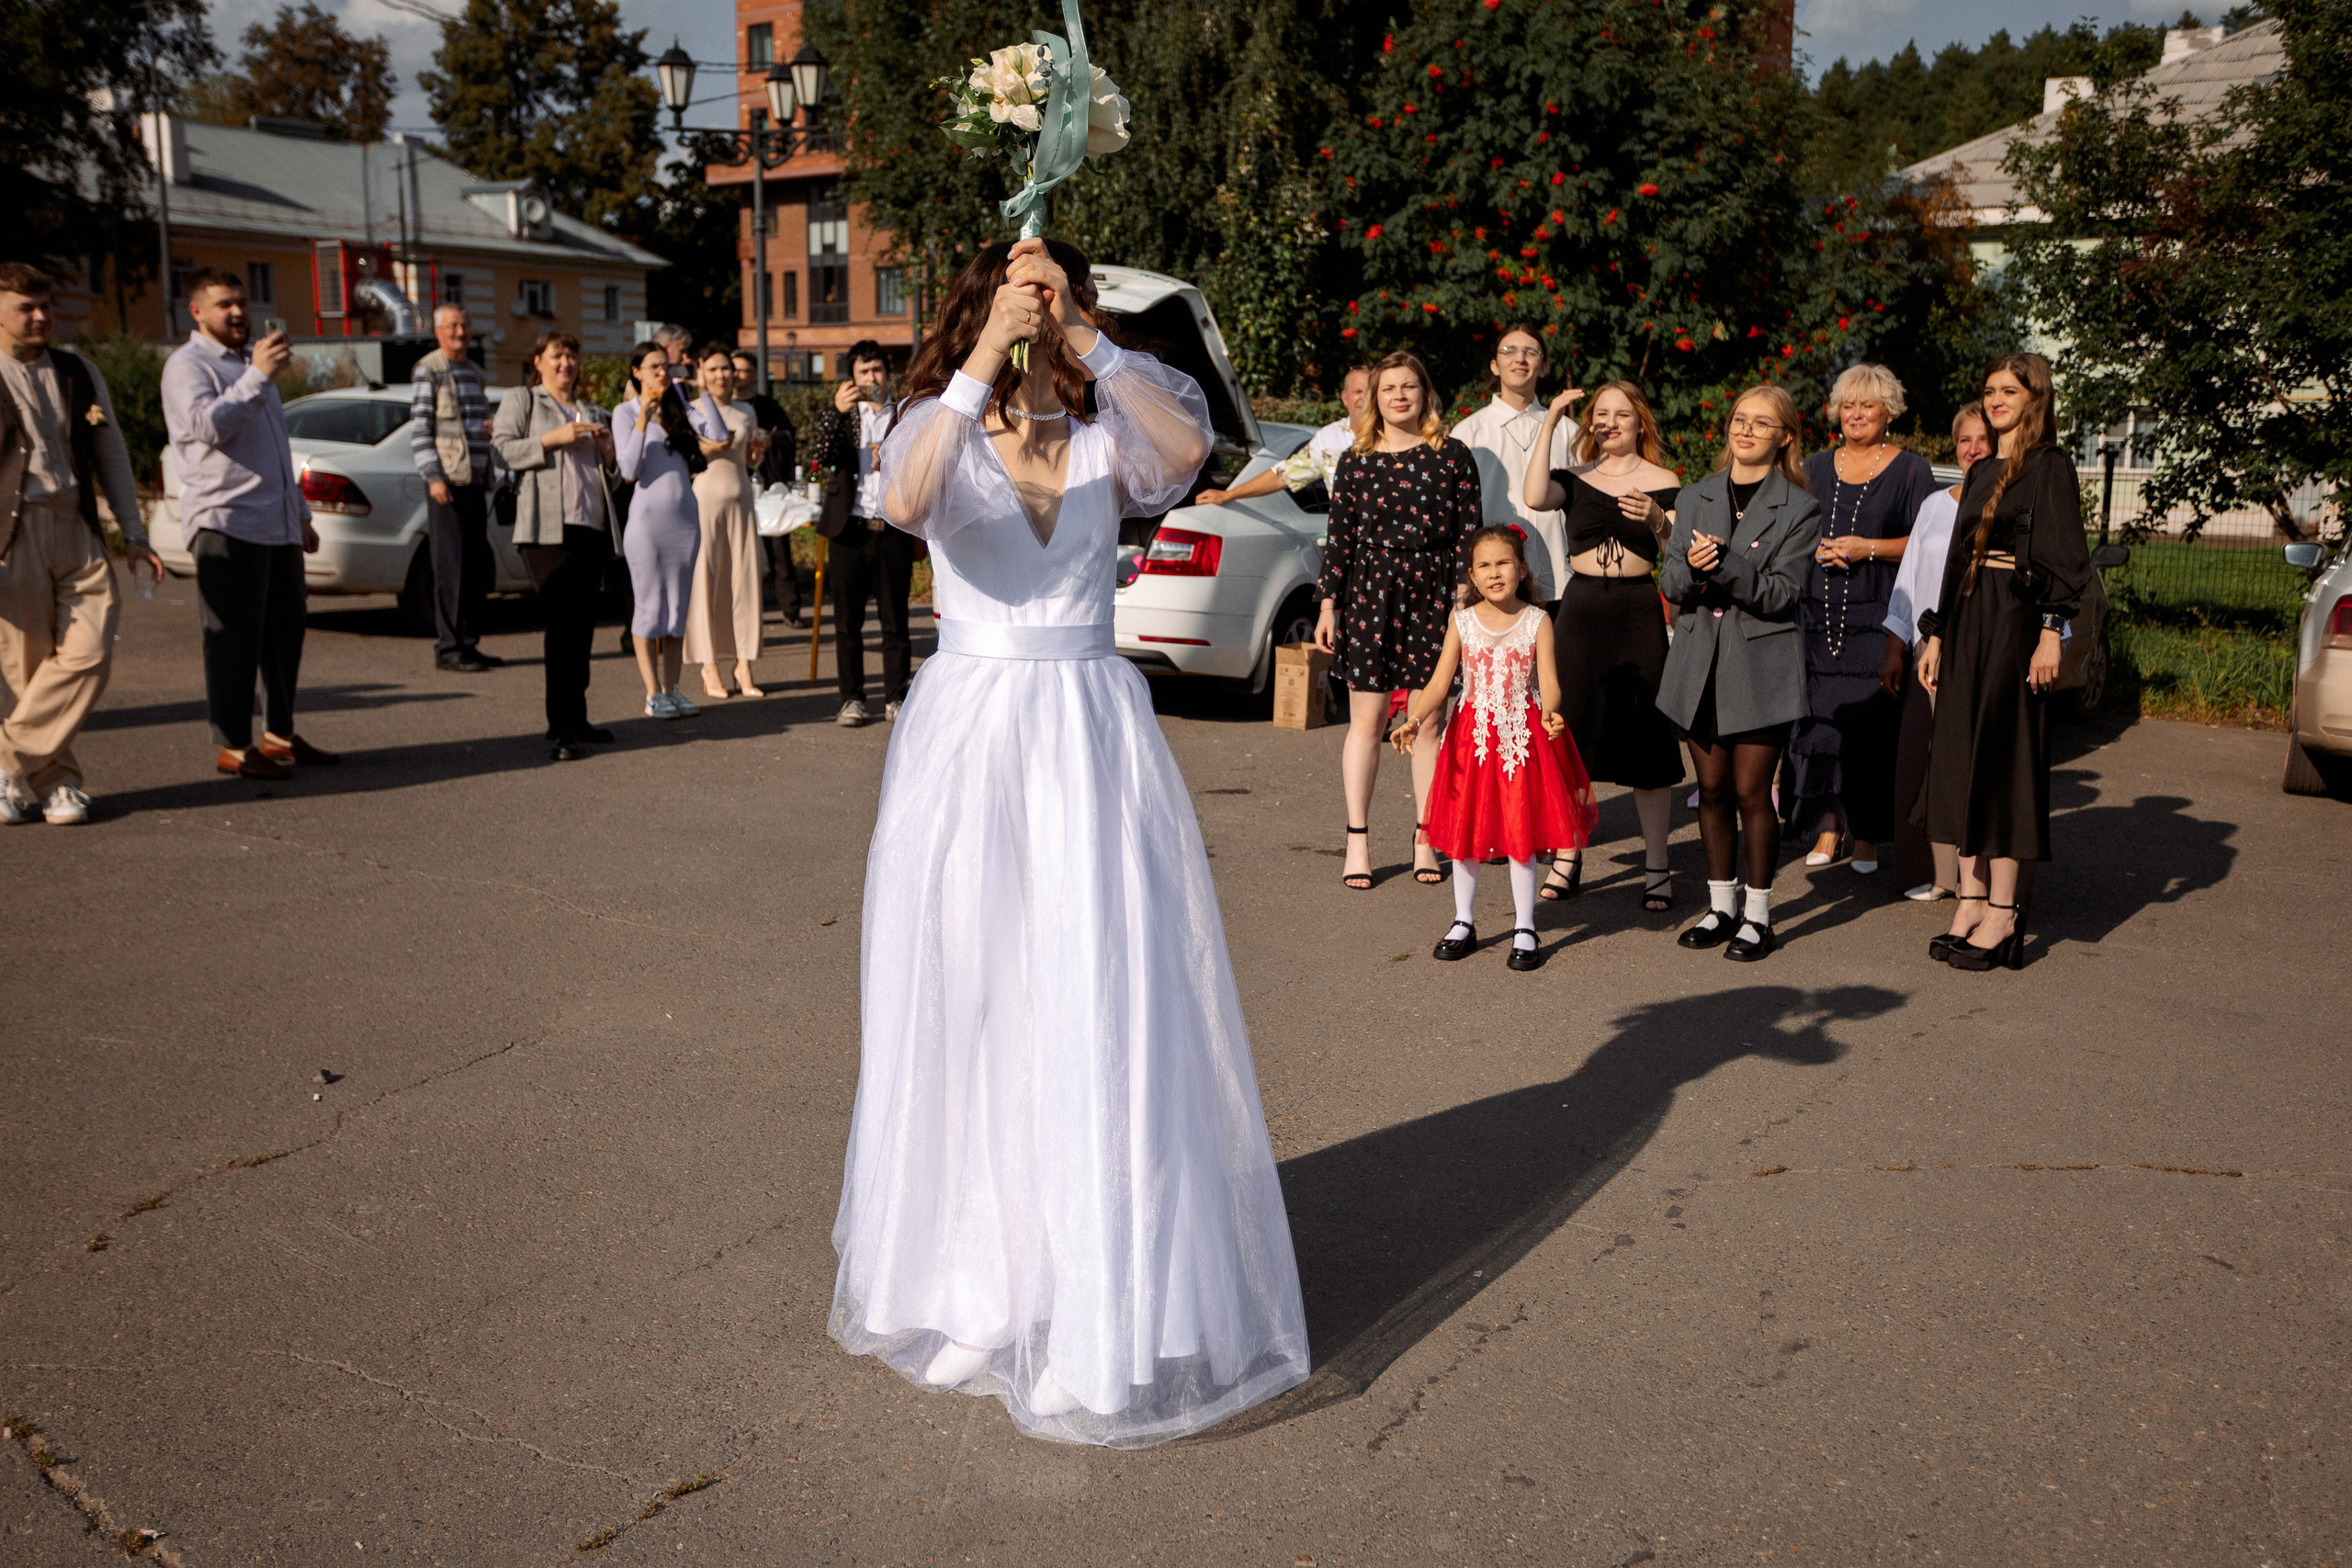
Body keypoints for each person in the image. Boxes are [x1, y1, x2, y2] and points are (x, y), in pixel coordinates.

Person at [831, 234, 1307, 1446]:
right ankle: (980, 1292)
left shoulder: (1109, 440)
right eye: (1020, 295)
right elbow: (902, 497)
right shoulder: (925, 428)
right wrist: (990, 344)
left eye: (1056, 297)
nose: (1041, 314)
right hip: (976, 744)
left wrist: (1081, 330)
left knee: (1104, 1005)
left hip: (1093, 740)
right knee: (980, 1006)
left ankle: (1103, 1311)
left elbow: (1189, 445)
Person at [1916, 353, 2091, 971]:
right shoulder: (1983, 466)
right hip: (1966, 619)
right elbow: (1956, 559)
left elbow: (2069, 557)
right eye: (1988, 390)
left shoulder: (2050, 466)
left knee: (2007, 761)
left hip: (2017, 623)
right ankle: (1970, 895)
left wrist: (2052, 630)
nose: (1994, 400)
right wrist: (1934, 633)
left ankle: (2006, 911)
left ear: (2034, 397)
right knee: (1960, 756)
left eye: (2007, 390)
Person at [1656, 386, 1823, 962]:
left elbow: (1782, 594)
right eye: (1738, 421)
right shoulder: (1695, 494)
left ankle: (1759, 914)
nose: (1745, 431)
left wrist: (1726, 564)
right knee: (1711, 790)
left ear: (1785, 437)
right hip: (1699, 661)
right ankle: (1720, 906)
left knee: (1753, 792)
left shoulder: (1800, 507)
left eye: (1761, 423)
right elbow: (1671, 583)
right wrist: (1697, 573)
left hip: (1761, 665)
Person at [1314, 351, 1484, 890]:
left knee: (1428, 722)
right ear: (1374, 397)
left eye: (1410, 386)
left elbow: (1469, 534)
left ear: (1425, 393)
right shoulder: (1356, 459)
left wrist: (1465, 598)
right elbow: (1339, 537)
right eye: (1390, 388)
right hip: (1370, 594)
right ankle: (1357, 840)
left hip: (1435, 597)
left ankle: (1426, 837)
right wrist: (1326, 605)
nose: (1400, 396)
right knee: (1365, 722)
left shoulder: (1453, 455)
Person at [1392, 524, 1596, 970]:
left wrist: (1551, 713)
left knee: (1521, 832)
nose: (1494, 572)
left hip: (1522, 738)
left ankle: (1525, 926)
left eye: (1503, 562)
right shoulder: (1462, 621)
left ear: (1522, 569)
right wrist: (1414, 719)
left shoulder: (1538, 621)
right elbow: (1440, 681)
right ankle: (1463, 921)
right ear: (1471, 574)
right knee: (1465, 833)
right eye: (1484, 566)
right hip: (1471, 740)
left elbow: (1550, 684)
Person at [162, 267, 337, 781]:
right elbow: (208, 427)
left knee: (286, 635)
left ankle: (279, 736)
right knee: (233, 638)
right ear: (197, 312)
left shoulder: (245, 361)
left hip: (275, 520)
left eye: (241, 302)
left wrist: (300, 514)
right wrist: (257, 375)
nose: (238, 312)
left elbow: (275, 450)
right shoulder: (187, 365)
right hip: (227, 520)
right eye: (223, 304)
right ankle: (234, 745)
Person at [0, 263, 161, 825]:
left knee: (90, 650)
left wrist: (134, 533)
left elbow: (111, 453)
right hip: (12, 533)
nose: (41, 316)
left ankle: (7, 763)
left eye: (46, 305)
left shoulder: (79, 371)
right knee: (28, 665)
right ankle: (58, 786)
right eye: (26, 306)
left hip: (76, 525)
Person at [1521, 381, 1684, 908]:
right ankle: (1568, 853)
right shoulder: (1574, 477)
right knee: (1571, 734)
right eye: (1601, 415)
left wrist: (1657, 519)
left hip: (1638, 608)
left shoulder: (1663, 480)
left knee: (1648, 738)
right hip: (1582, 610)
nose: (1610, 423)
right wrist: (1550, 424)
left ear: (1640, 423)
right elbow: (1532, 497)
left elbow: (1677, 554)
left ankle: (1657, 863)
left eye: (1622, 415)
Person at [1792, 364, 1937, 877]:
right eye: (1848, 404)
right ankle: (1829, 825)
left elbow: (1926, 545)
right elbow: (1793, 531)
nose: (1856, 414)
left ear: (1888, 412)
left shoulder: (1912, 470)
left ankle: (1869, 835)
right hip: (1818, 615)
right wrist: (1816, 547)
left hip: (1878, 616)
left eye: (1868, 405)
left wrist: (1866, 549)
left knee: (1872, 734)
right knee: (1822, 730)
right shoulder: (1812, 464)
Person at [1883, 402, 1993, 901]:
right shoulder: (1933, 505)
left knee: (1971, 761)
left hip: (1984, 644)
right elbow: (1908, 581)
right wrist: (1895, 647)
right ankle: (1940, 875)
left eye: (1982, 440)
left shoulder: (2006, 504)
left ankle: (1981, 880)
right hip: (1930, 648)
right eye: (1963, 441)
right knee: (1928, 758)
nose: (1972, 449)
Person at [493, 330, 618, 761]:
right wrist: (554, 439)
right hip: (545, 530)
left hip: (590, 527)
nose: (566, 363)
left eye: (571, 356)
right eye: (557, 356)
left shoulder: (593, 409)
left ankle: (578, 718)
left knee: (583, 628)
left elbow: (614, 478)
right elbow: (501, 451)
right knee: (562, 626)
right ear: (539, 362)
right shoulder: (523, 401)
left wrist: (607, 453)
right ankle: (560, 729)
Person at [813, 340, 914, 727]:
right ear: (851, 379)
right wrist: (835, 414)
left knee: (895, 620)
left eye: (876, 371)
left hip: (891, 526)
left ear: (886, 374)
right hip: (849, 528)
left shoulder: (904, 412)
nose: (870, 379)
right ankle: (852, 698)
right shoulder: (845, 415)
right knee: (847, 622)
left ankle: (896, 697)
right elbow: (819, 456)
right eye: (862, 373)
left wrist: (890, 457)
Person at [1446, 323, 1577, 608]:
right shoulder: (1468, 433)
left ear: (1542, 367)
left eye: (1531, 352)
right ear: (1494, 365)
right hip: (1490, 585)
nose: (1520, 358)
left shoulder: (1570, 432)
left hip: (1561, 582)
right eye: (1509, 351)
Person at [614, 341, 706, 719]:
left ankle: (674, 688)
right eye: (653, 367)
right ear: (636, 371)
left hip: (685, 522)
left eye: (665, 367)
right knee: (650, 610)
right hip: (647, 526)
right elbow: (628, 469)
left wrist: (693, 392)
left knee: (676, 611)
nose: (661, 373)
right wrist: (642, 419)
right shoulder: (624, 412)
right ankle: (653, 693)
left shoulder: (677, 409)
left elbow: (714, 433)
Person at [408, 305, 501, 674]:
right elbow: (420, 428)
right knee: (451, 566)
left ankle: (468, 643)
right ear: (438, 332)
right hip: (448, 483)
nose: (460, 333)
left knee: (474, 566)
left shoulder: (475, 372)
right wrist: (434, 477)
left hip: (475, 481)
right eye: (453, 327)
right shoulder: (428, 370)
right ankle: (449, 648)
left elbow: (474, 424)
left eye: (465, 325)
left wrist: (489, 429)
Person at [684, 344, 767, 700]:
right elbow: (688, 454)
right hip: (703, 499)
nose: (722, 375)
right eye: (715, 369)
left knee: (744, 581)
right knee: (705, 581)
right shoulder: (691, 410)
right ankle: (708, 665)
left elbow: (747, 461)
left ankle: (744, 663)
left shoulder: (746, 409)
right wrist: (714, 446)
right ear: (702, 371)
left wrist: (757, 451)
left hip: (742, 498)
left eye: (727, 369)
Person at [1195, 363, 1370, 509]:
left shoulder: (1395, 436)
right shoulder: (1329, 440)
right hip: (1351, 544)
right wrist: (1227, 495)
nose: (1364, 398)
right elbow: (1282, 475)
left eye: (1370, 391)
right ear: (1344, 398)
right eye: (1357, 392)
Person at [733, 349, 805, 629]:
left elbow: (788, 436)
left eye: (741, 370)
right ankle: (743, 613)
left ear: (754, 374)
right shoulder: (724, 407)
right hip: (737, 485)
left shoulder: (767, 406)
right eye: (732, 369)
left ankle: (791, 608)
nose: (735, 375)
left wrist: (769, 439)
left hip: (768, 487)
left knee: (779, 552)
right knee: (740, 554)